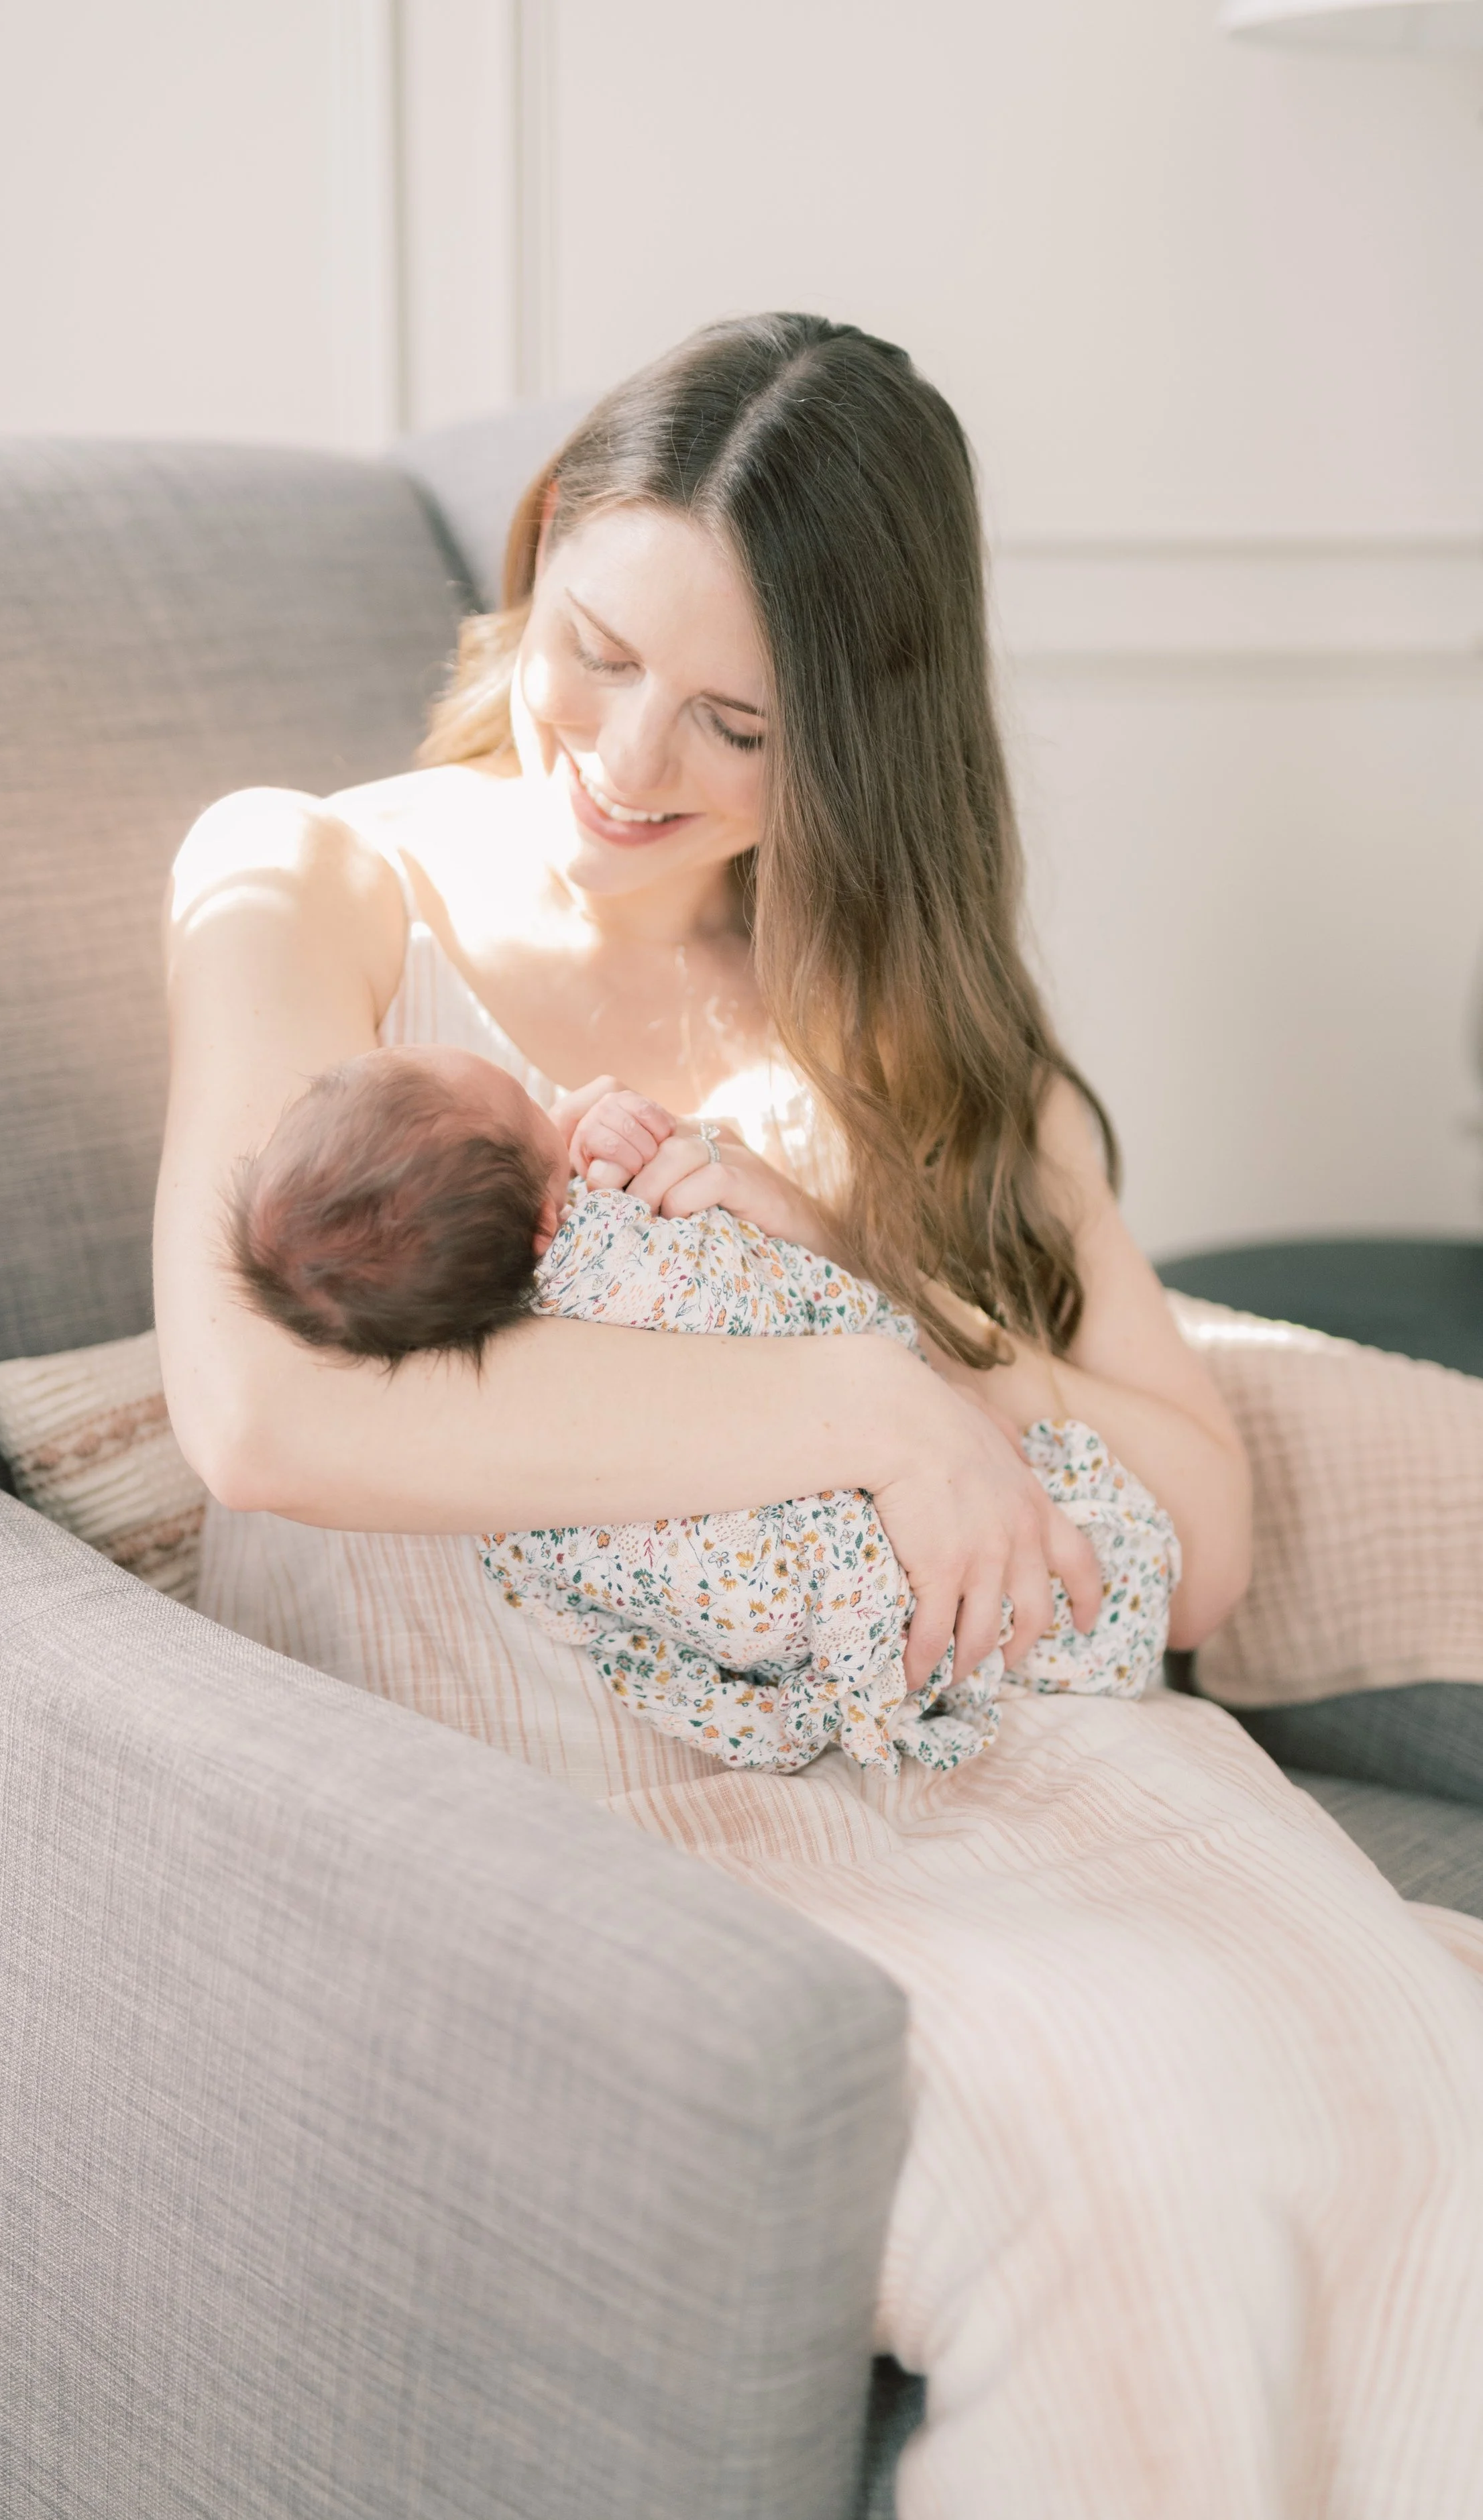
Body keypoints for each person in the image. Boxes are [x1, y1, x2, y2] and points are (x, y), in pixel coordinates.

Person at [157, 315, 1483, 2517]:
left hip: (965, 1733)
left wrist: (907, 1320)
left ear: (863, 737)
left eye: (737, 721)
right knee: (1159, 2154)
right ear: (538, 558)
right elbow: (261, 1403)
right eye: (594, 651)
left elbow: (1198, 1530)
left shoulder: (907, 1024)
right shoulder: (312, 879)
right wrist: (856, 1398)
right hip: (553, 1779)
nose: (621, 759)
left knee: (1406, 2093)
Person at [224, 1042, 1180, 1775]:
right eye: (536, 1108)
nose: (571, 1099)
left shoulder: (471, 1412)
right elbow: (788, 1297)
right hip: (872, 1537)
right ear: (551, 1221)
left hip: (774, 1628)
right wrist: (622, 1164)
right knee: (1064, 1555)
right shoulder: (629, 1251)